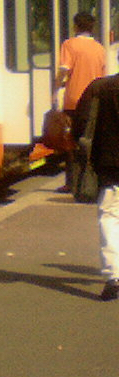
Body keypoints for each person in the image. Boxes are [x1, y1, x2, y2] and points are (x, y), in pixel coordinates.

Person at [78, 72, 119, 300]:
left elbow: (81, 122)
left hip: (109, 163)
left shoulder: (100, 87)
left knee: (110, 217)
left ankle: (113, 277)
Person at [57, 12, 107, 190]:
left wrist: (55, 87)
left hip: (74, 99)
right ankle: (89, 180)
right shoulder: (100, 49)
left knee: (71, 141)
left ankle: (71, 182)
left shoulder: (69, 45)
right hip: (93, 99)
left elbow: (64, 69)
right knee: (90, 140)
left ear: (75, 26)